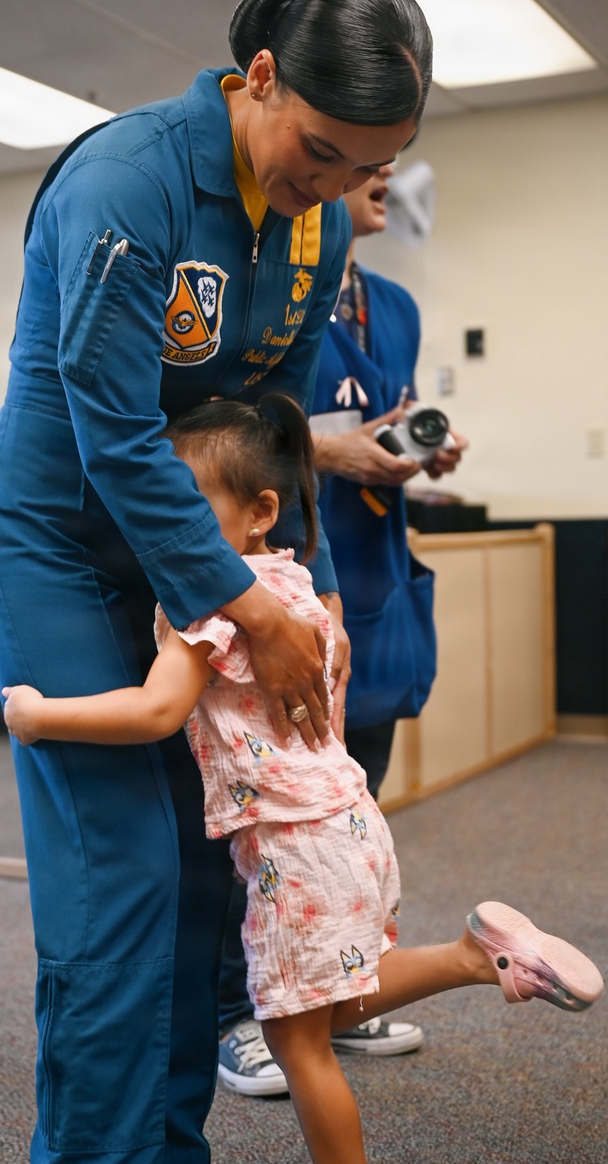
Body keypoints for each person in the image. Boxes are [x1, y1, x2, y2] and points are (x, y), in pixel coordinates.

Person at [0, 0, 432, 1163]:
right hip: (64, 546)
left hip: (196, 556)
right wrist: (244, 609)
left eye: (359, 171)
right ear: (259, 76)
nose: (328, 189)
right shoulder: (129, 182)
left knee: (206, 872)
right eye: (318, 152)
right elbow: (114, 432)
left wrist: (300, 584)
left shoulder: (317, 220)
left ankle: (167, 1142)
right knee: (121, 877)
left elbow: (262, 418)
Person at [1, 396, 604, 1164]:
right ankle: (474, 955)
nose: (167, 530)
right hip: (352, 825)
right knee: (337, 997)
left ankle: (472, 966)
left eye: (190, 511)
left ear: (260, 511)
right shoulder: (294, 588)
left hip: (297, 846)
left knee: (297, 1040)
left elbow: (156, 710)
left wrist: (41, 715)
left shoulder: (213, 605)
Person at [217, 160, 470, 1095]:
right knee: (273, 820)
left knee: (352, 808)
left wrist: (418, 448)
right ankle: (242, 1015)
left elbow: (385, 421)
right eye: (363, 160)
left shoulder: (393, 304)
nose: (386, 174)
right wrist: (328, 448)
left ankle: (340, 997)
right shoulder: (269, 283)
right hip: (290, 566)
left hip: (377, 569)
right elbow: (232, 425)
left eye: (387, 161)